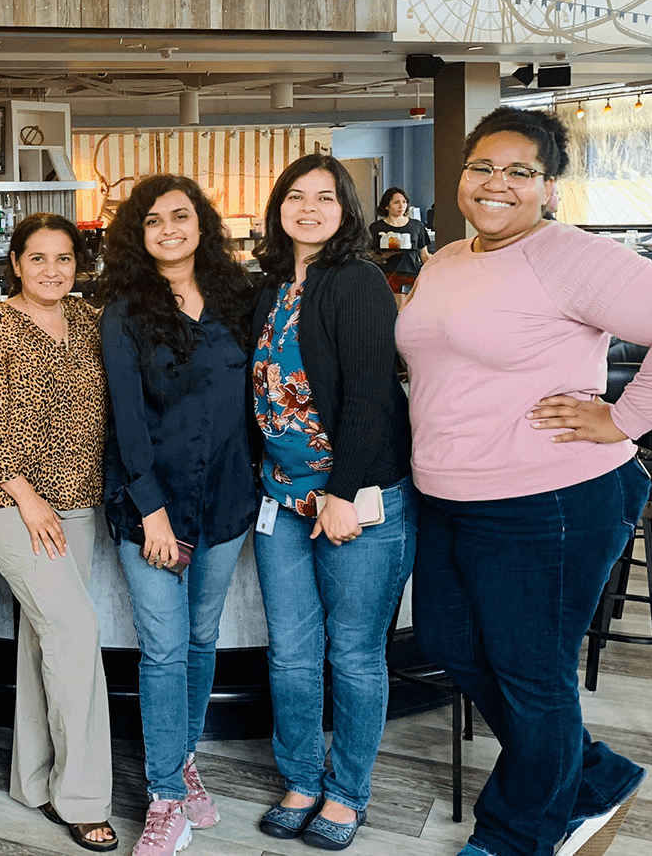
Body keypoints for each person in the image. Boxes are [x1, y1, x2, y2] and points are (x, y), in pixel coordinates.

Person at [396, 107, 652, 856]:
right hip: (452, 494)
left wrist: (627, 416)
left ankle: (521, 835)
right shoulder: (450, 257)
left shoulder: (567, 255)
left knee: (529, 672)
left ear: (549, 189)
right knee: (454, 642)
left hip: (547, 497)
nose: (496, 183)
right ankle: (590, 771)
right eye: (483, 166)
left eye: (521, 172)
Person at [248, 155, 416, 850]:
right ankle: (300, 778)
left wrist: (342, 494)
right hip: (279, 500)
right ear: (278, 208)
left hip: (355, 501)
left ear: (347, 210)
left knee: (352, 654)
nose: (308, 208)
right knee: (290, 654)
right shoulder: (269, 289)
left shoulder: (359, 281)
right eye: (296, 196)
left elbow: (376, 395)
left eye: (325, 197)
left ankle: (347, 792)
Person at [97, 175, 257, 856]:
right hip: (151, 509)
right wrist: (152, 513)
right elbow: (126, 423)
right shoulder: (124, 311)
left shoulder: (239, 296)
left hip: (226, 502)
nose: (168, 229)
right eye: (154, 220)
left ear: (202, 223)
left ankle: (184, 760)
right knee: (162, 650)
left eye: (180, 216)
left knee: (199, 641)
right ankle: (166, 795)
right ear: (139, 232)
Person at [0, 213, 116, 853]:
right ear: (16, 263)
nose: (53, 271)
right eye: (39, 258)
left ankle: (31, 779)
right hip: (7, 498)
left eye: (65, 259)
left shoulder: (87, 321)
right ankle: (81, 797)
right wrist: (26, 496)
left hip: (80, 500)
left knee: (43, 633)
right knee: (77, 629)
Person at [368, 186, 430, 297]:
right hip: (385, 277)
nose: (401, 206)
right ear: (387, 206)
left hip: (411, 276)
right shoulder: (376, 228)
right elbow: (369, 256)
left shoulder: (416, 226)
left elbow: (424, 255)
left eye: (404, 202)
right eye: (396, 202)